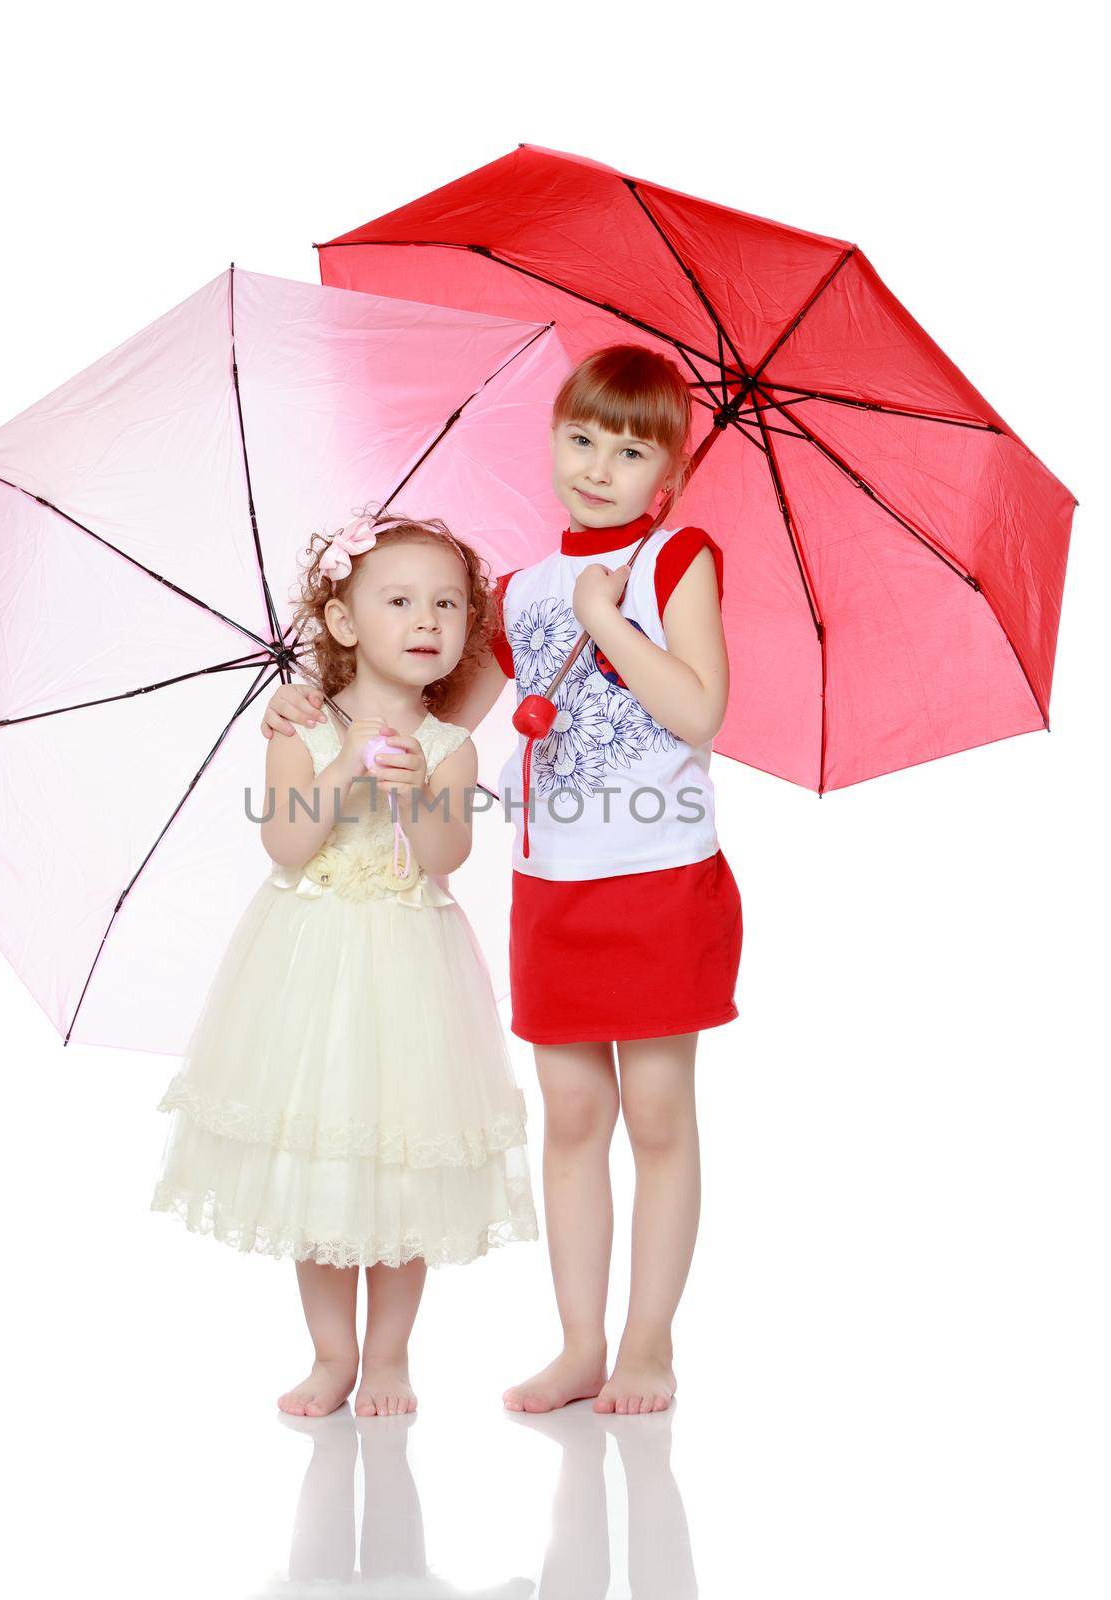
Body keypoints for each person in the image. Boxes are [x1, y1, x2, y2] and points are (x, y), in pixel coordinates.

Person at [261, 345, 743, 1416]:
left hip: (660, 874)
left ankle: (647, 1343)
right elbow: (432, 710)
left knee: (657, 1110)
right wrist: (311, 706)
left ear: (666, 470)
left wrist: (608, 620)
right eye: (579, 438)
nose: (597, 466)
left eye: (628, 449)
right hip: (553, 883)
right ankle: (579, 1344)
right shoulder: (521, 587)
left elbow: (701, 712)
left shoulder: (677, 559)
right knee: (571, 1111)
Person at [152, 507, 538, 1420]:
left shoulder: (451, 744)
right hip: (312, 964)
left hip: (410, 961)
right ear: (341, 624)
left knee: (400, 1154)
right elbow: (287, 844)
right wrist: (341, 770)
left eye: (448, 605)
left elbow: (446, 859)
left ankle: (393, 1356)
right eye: (399, 600)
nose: (427, 620)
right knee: (325, 1152)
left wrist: (412, 797)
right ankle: (332, 1354)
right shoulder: (299, 727)